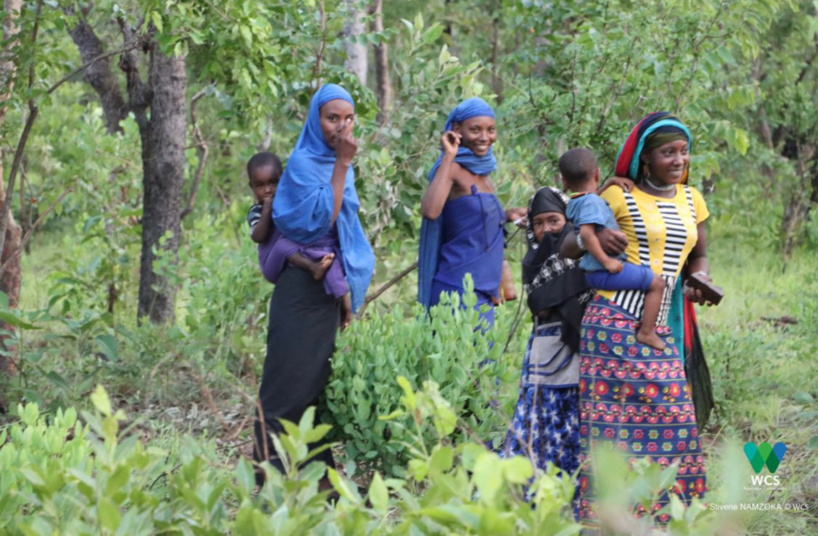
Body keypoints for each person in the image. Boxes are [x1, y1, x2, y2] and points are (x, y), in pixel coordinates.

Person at [576, 112, 717, 526]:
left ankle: (669, 516)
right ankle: (610, 520)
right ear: (645, 158)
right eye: (667, 152)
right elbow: (570, 242)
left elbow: (700, 255)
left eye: (683, 152)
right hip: (615, 319)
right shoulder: (620, 196)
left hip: (662, 320)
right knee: (611, 423)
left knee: (674, 415)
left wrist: (702, 279)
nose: (678, 160)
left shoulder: (692, 199)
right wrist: (598, 236)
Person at [253, 84, 375, 487]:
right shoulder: (305, 163)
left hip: (325, 290)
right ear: (315, 119)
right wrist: (342, 164)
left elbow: (345, 228)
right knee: (284, 388)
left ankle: (321, 485)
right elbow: (319, 222)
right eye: (332, 118)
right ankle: (267, 483)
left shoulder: (339, 164)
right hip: (300, 290)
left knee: (312, 388)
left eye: (348, 118)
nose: (341, 126)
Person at [502, 182, 632, 498]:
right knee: (539, 425)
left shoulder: (584, 251)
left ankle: (582, 496)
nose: (546, 229)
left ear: (567, 220)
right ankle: (532, 494)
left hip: (585, 352)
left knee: (581, 424)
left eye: (554, 220)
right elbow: (540, 303)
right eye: (538, 222)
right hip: (546, 357)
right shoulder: (532, 260)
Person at [418, 97, 525, 328]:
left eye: (490, 130)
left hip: (483, 291)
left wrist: (508, 215)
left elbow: (469, 217)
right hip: (457, 289)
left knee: (482, 363)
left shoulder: (484, 172)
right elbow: (430, 211)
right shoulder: (452, 168)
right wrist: (448, 155)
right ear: (457, 130)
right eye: (475, 130)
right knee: (460, 362)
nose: (485, 137)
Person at [560, 148, 666, 350]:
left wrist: (609, 184)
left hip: (594, 272)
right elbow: (586, 234)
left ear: (564, 182)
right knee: (657, 283)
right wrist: (607, 261)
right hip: (602, 271)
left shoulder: (577, 201)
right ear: (597, 173)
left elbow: (592, 204)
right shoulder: (592, 202)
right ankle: (646, 332)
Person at [246, 151, 353, 318]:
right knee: (282, 243)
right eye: (260, 185)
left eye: (274, 182)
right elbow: (258, 237)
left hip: (293, 253)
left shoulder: (288, 203)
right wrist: (267, 210)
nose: (268, 190)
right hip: (271, 262)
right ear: (252, 187)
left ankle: (344, 303)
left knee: (327, 256)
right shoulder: (256, 211)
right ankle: (312, 267)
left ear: (284, 179)